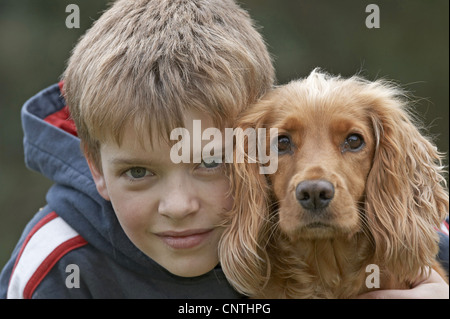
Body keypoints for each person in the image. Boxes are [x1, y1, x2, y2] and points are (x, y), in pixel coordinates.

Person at [0, 0, 448, 299]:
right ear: (95, 165)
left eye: (211, 161)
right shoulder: (60, 265)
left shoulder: (428, 238)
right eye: (138, 171)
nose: (178, 206)